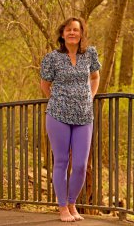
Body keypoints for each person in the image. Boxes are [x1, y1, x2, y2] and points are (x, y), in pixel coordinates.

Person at [40, 17, 101, 222]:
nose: (72, 33)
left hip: (84, 116)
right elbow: (45, 84)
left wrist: (90, 96)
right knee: (61, 161)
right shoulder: (52, 58)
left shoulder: (89, 54)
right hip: (58, 115)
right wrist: (58, 101)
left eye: (76, 29)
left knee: (81, 164)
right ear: (62, 34)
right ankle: (63, 207)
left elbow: (95, 77)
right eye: (68, 30)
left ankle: (73, 203)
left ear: (81, 33)